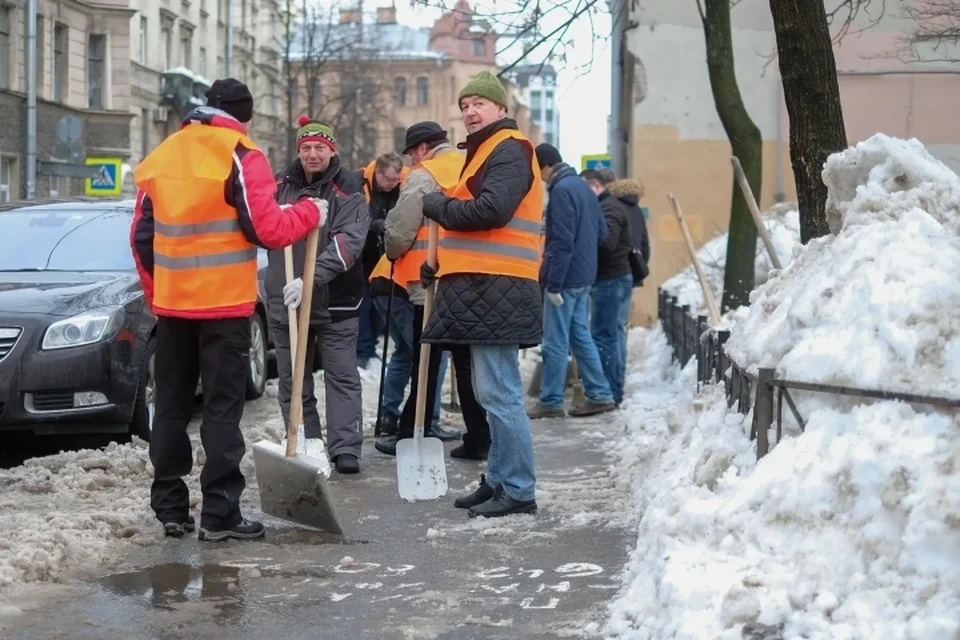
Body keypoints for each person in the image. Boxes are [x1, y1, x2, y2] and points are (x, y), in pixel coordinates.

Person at [131, 78, 325, 541]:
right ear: (245, 116)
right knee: (220, 412)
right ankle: (220, 515)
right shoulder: (240, 153)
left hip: (174, 310)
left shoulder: (164, 154)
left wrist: (160, 294)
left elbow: (140, 237)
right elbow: (267, 228)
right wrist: (308, 213)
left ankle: (172, 510)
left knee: (173, 409)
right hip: (225, 308)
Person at [419, 71, 542, 517]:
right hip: (482, 285)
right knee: (490, 392)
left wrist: (438, 206)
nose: (470, 111)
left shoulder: (510, 149)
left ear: (500, 110)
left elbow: (491, 210)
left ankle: (520, 490)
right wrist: (441, 264)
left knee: (501, 393)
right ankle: (498, 479)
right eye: (465, 104)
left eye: (479, 104)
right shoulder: (486, 151)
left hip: (499, 285)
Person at [373, 121, 490, 459]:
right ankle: (480, 436)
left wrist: (391, 250)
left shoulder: (425, 175)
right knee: (465, 361)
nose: (411, 162)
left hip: (431, 283)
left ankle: (411, 434)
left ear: (422, 148)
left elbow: (399, 231)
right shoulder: (470, 164)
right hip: (470, 277)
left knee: (425, 360)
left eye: (411, 155)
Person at [267, 115, 369, 474]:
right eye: (306, 148)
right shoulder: (278, 185)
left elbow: (348, 244)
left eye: (320, 148)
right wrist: (276, 218)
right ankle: (307, 441)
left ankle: (345, 449)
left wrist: (308, 280)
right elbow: (259, 225)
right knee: (294, 379)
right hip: (286, 302)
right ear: (299, 150)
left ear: (331, 150)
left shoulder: (350, 189)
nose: (313, 154)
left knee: (341, 376)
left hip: (337, 301)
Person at [528, 144, 617, 420]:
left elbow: (562, 242)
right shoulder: (582, 187)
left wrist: (553, 284)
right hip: (584, 276)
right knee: (580, 337)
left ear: (544, 166)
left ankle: (551, 401)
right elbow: (601, 233)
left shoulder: (561, 190)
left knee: (555, 341)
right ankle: (600, 395)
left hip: (565, 279)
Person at [581, 169, 650, 406]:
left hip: (609, 279)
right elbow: (644, 244)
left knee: (604, 336)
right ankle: (614, 391)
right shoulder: (631, 207)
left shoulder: (608, 207)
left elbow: (606, 243)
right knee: (615, 335)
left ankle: (609, 392)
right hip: (622, 277)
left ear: (598, 185)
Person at [367, 259, 453, 439]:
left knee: (405, 352)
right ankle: (429, 420)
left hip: (383, 281)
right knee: (433, 355)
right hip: (405, 285)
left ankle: (388, 415)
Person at [357, 153, 408, 369]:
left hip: (386, 253)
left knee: (382, 301)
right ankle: (363, 352)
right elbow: (360, 218)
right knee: (363, 303)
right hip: (362, 253)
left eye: (396, 179)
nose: (393, 184)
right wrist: (382, 225)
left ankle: (372, 349)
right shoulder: (360, 183)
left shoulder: (403, 185)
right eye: (389, 179)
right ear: (378, 173)